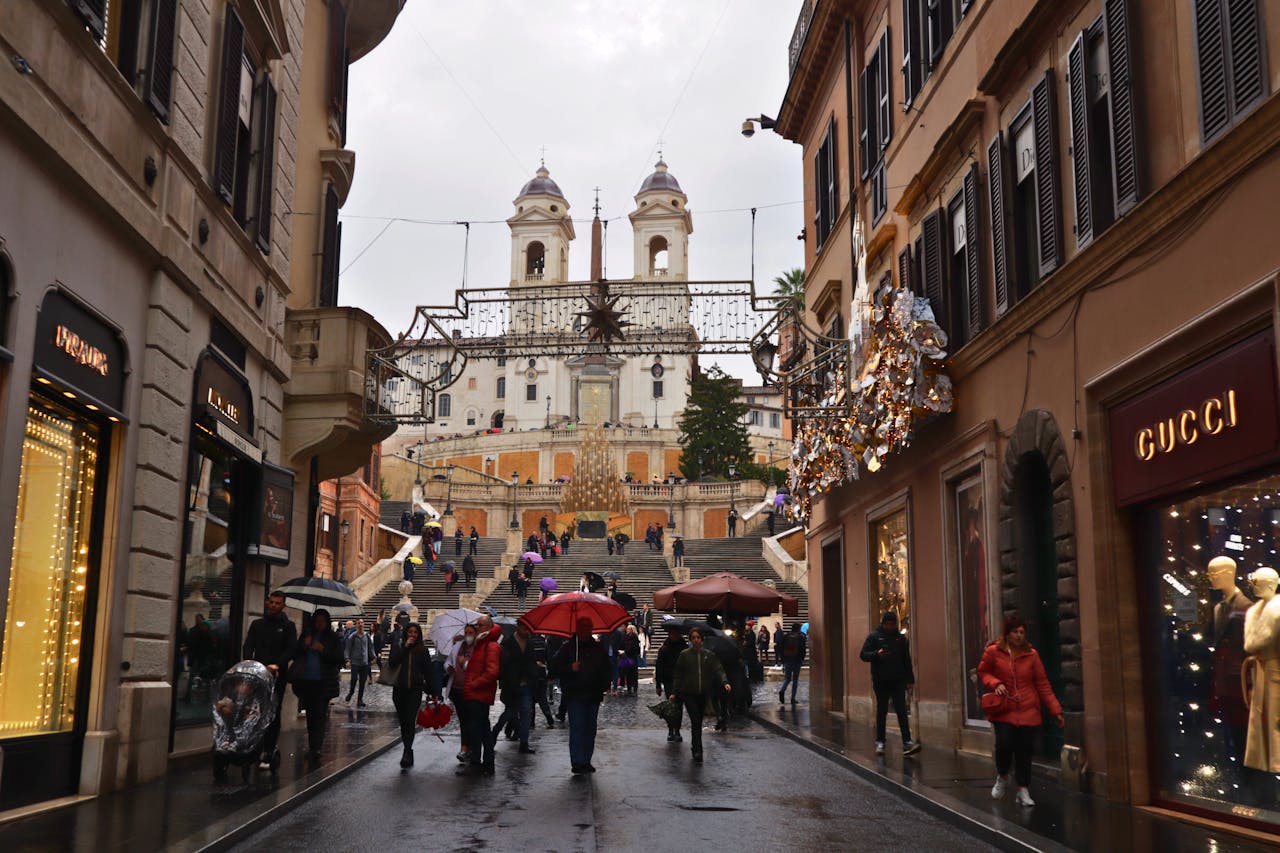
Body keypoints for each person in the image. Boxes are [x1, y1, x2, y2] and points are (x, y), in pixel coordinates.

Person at [978, 615, 1064, 807]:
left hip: (1027, 708)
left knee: (1025, 751)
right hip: (1005, 708)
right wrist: (996, 683)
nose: (1019, 636)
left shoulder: (1032, 655)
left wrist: (1055, 709)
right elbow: (983, 672)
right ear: (1007, 634)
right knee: (1005, 744)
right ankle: (1002, 776)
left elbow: (1042, 684)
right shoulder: (994, 651)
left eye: (1022, 632)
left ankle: (1023, 790)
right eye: (1015, 632)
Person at [242, 591, 297, 770]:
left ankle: (269, 748)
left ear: (283, 605)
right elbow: (248, 646)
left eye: (277, 603)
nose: (273, 605)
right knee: (254, 711)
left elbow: (290, 649)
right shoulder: (257, 624)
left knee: (273, 713)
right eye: (271, 602)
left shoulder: (288, 626)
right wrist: (250, 663)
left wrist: (277, 665)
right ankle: (253, 747)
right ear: (267, 603)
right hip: (257, 675)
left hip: (276, 676)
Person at [551, 617, 611, 774]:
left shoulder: (598, 648)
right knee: (577, 728)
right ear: (577, 628)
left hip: (593, 694)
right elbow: (554, 668)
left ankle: (586, 760)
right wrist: (570, 668)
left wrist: (603, 685)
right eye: (583, 627)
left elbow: (607, 669)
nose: (586, 629)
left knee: (590, 729)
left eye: (588, 627)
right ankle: (577, 761)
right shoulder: (568, 648)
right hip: (575, 694)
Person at [285, 609, 344, 764]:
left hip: (323, 683)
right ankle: (312, 747)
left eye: (322, 622)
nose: (319, 624)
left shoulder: (332, 638)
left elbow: (338, 659)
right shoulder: (306, 634)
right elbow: (295, 653)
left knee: (319, 715)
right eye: (317, 621)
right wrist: (304, 645)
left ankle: (316, 748)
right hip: (306, 681)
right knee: (311, 716)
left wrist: (322, 650)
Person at [858, 612, 921, 756]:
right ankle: (880, 741)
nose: (890, 627)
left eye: (893, 624)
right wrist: (876, 654)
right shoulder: (874, 637)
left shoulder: (900, 639)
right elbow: (863, 655)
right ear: (883, 623)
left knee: (901, 710)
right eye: (888, 624)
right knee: (882, 710)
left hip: (898, 680)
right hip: (881, 680)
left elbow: (907, 661)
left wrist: (910, 681)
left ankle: (907, 741)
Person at [670, 627, 732, 764]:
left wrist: (724, 682)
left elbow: (718, 668)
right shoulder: (685, 655)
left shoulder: (708, 655)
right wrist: (674, 692)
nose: (696, 640)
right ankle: (697, 749)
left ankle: (696, 747)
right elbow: (678, 675)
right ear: (690, 640)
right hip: (689, 693)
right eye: (693, 638)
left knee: (698, 721)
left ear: (702, 640)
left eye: (698, 637)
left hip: (703, 693)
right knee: (695, 720)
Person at [387, 622, 439, 768]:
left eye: (415, 632)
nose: (413, 635)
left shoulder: (422, 650)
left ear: (419, 634)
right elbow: (392, 662)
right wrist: (405, 647)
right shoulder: (398, 646)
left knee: (410, 720)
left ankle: (407, 750)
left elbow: (429, 672)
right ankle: (407, 747)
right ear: (406, 633)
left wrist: (434, 692)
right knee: (403, 721)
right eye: (410, 632)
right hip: (399, 689)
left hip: (414, 690)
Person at [458, 615, 502, 775]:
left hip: (479, 694)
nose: (477, 628)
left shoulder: (490, 645)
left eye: (480, 625)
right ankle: (487, 764)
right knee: (482, 729)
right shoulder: (481, 643)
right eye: (477, 625)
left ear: (489, 627)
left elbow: (492, 672)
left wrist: (474, 684)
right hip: (476, 693)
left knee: (477, 730)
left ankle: (476, 763)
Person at [491, 621, 540, 754]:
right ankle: (495, 732)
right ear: (518, 627)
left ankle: (524, 743)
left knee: (526, 714)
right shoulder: (507, 643)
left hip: (526, 684)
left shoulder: (529, 643)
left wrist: (532, 674)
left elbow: (531, 661)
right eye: (525, 628)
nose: (527, 631)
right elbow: (505, 666)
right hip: (512, 685)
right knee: (510, 712)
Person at [446, 624, 477, 764]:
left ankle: (469, 748)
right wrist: (449, 667)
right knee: (463, 719)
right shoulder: (458, 646)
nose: (468, 635)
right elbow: (447, 662)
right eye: (466, 632)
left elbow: (477, 667)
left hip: (471, 688)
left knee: (470, 720)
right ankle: (465, 748)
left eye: (471, 632)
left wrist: (464, 663)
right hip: (457, 688)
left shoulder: (478, 647)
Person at [655, 629, 688, 742]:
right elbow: (659, 666)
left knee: (679, 706)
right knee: (671, 706)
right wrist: (658, 684)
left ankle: (677, 730)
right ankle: (670, 729)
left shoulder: (684, 648)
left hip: (681, 681)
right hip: (668, 681)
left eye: (677, 633)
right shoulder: (664, 649)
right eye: (673, 633)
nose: (675, 635)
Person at [343, 618, 375, 707]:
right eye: (359, 623)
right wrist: (347, 659)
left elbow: (370, 647)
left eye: (362, 622)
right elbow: (347, 648)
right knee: (354, 679)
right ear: (356, 625)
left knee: (362, 681)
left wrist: (373, 657)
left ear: (364, 624)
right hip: (355, 662)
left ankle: (360, 699)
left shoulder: (367, 636)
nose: (360, 624)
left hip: (364, 662)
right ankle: (351, 692)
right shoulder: (352, 636)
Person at [777, 623, 807, 705]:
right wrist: (802, 659)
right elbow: (803, 649)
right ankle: (793, 698)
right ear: (798, 628)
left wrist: (783, 659)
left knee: (787, 678)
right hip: (797, 660)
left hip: (787, 660)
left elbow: (780, 648)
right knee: (795, 679)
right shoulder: (801, 637)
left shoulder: (786, 636)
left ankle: (782, 690)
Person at [620, 625, 642, 696]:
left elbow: (630, 648)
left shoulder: (631, 638)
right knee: (631, 674)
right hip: (632, 658)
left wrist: (624, 652)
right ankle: (632, 689)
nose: (627, 630)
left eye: (629, 629)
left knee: (630, 674)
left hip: (630, 658)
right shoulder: (631, 638)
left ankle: (631, 689)